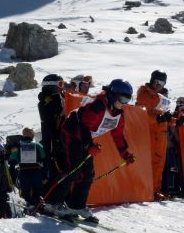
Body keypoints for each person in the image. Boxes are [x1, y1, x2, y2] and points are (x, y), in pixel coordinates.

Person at [46, 79, 135, 223]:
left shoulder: (118, 114)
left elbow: (118, 136)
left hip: (85, 138)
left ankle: (76, 206)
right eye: (123, 98)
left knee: (88, 173)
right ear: (113, 94)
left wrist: (125, 155)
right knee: (73, 169)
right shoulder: (98, 106)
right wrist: (88, 145)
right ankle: (52, 204)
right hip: (72, 133)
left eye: (128, 99)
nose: (124, 102)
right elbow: (84, 126)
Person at [136, 70, 172, 199]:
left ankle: (155, 190)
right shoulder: (145, 94)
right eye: (156, 81)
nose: (158, 85)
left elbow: (159, 113)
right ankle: (147, 190)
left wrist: (172, 119)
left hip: (160, 135)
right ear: (151, 80)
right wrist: (158, 119)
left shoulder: (159, 97)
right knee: (150, 163)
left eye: (161, 83)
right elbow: (143, 113)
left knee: (159, 163)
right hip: (150, 134)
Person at [8, 128, 47, 206]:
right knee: (38, 191)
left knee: (25, 192)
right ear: (32, 135)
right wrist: (45, 176)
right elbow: (45, 161)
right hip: (36, 172)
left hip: (23, 172)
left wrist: (13, 176)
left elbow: (12, 161)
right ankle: (39, 206)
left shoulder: (19, 147)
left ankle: (28, 206)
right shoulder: (38, 146)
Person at [38, 74, 65, 182]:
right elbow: (48, 123)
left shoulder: (59, 98)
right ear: (51, 86)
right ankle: (53, 192)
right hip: (53, 141)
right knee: (56, 167)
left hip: (61, 138)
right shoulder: (46, 102)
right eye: (60, 84)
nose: (62, 87)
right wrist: (57, 137)